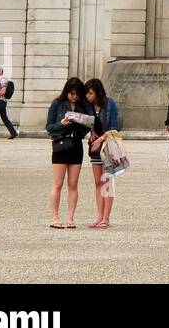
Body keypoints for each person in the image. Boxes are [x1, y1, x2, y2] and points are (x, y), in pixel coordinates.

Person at [47, 77, 90, 229]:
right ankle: (55, 217)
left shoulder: (82, 105)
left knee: (73, 183)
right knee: (58, 183)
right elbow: (49, 127)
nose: (74, 96)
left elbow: (87, 127)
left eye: (77, 94)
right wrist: (61, 124)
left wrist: (80, 123)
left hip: (76, 145)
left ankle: (71, 218)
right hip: (60, 144)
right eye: (71, 93)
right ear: (66, 92)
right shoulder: (56, 104)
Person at [83, 78, 120, 229]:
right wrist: (91, 132)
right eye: (86, 93)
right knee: (98, 183)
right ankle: (99, 216)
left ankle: (106, 217)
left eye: (90, 93)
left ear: (97, 92)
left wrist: (102, 138)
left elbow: (115, 127)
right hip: (95, 148)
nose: (88, 96)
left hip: (108, 146)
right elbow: (87, 122)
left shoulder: (110, 104)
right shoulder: (88, 106)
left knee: (107, 182)